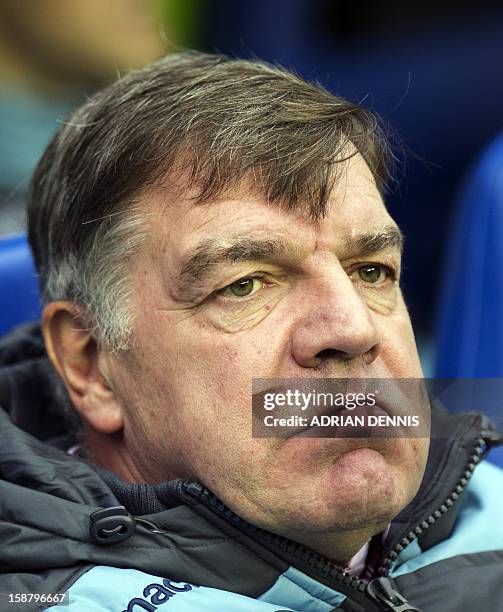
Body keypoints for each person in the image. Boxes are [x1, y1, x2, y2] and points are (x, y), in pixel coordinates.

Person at [0, 51, 502, 612]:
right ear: (91, 365)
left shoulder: (486, 496)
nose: (353, 328)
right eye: (246, 284)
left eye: (371, 271)